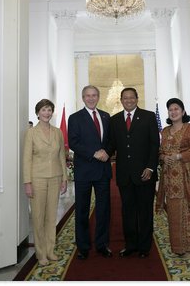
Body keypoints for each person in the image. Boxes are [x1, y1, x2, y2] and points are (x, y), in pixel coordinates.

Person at [106, 87, 160, 258]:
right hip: (124, 175)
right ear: (120, 100)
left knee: (144, 212)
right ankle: (130, 245)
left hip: (145, 174)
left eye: (131, 97)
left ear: (137, 99)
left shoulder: (149, 116)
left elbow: (154, 144)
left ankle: (144, 247)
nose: (128, 100)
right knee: (127, 212)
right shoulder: (114, 120)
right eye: (125, 98)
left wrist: (151, 167)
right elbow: (111, 144)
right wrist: (101, 152)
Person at [68, 85, 112, 260]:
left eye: (94, 95)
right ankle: (83, 247)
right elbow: (73, 142)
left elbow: (111, 140)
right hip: (84, 170)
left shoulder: (106, 116)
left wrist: (107, 152)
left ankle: (102, 245)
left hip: (102, 170)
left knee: (103, 210)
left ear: (99, 96)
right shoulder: (75, 118)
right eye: (88, 95)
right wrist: (94, 153)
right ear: (83, 97)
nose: (91, 98)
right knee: (82, 210)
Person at [155, 98, 190, 260]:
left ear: (183, 112)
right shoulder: (165, 131)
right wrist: (164, 158)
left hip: (187, 179)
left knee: (189, 214)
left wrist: (178, 156)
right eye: (170, 109)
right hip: (170, 180)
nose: (173, 111)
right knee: (174, 214)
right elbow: (160, 152)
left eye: (176, 109)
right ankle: (178, 247)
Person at [23, 99, 68, 266]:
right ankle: (40, 253)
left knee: (51, 216)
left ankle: (50, 250)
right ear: (38, 113)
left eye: (49, 110)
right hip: (37, 179)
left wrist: (64, 177)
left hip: (55, 177)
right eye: (43, 110)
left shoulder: (58, 132)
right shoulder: (31, 133)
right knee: (38, 216)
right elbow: (27, 159)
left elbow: (61, 157)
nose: (47, 113)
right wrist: (27, 182)